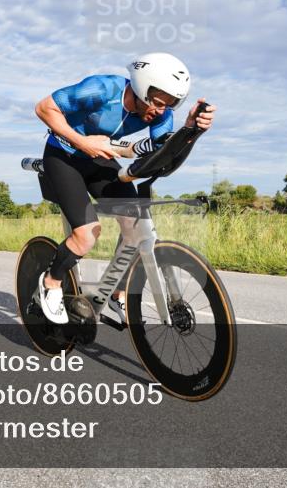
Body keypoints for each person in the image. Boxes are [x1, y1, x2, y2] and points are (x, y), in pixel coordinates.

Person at [33, 52, 215, 324]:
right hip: (63, 155)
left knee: (136, 224)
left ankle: (116, 292)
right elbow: (44, 108)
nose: (161, 110)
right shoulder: (101, 89)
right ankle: (51, 282)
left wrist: (191, 131)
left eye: (171, 105)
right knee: (87, 235)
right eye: (157, 102)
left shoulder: (159, 115)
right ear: (142, 86)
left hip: (99, 157)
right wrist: (83, 143)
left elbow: (164, 153)